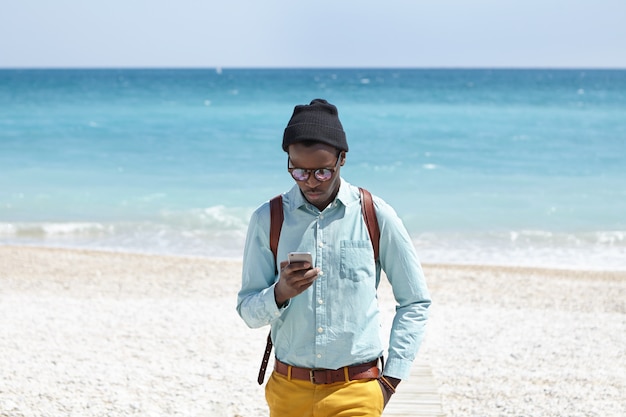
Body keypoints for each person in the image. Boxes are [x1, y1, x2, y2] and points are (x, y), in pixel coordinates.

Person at [236, 98, 431, 417]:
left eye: (322, 172)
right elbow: (248, 311)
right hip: (287, 391)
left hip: (357, 390)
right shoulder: (268, 219)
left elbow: (415, 302)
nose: (310, 181)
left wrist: (391, 380)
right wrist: (280, 293)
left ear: (342, 158)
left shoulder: (375, 214)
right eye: (298, 170)